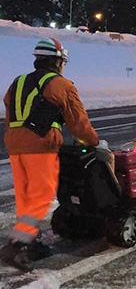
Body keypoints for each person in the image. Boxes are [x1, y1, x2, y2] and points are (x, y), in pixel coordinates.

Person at [1, 38, 101, 271]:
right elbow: (79, 124)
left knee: (25, 196)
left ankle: (30, 241)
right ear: (57, 61)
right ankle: (17, 245)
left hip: (15, 146)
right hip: (40, 146)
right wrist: (93, 142)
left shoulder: (18, 81)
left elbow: (10, 115)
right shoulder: (61, 84)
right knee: (41, 195)